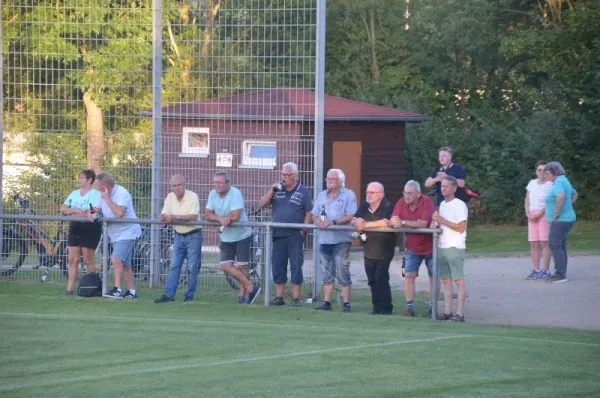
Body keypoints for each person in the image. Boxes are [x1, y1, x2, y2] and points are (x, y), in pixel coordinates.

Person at [259, 162, 312, 307]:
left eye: (287, 175)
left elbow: (309, 212)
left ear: (295, 176)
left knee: (296, 265)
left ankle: (296, 298)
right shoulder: (278, 190)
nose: (284, 178)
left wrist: (304, 230)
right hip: (278, 234)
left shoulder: (303, 191)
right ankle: (279, 297)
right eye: (283, 174)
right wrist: (271, 190)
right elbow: (262, 205)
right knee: (278, 265)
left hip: (295, 234)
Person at [206, 171, 261, 304]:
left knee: (242, 267)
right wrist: (221, 218)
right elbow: (208, 214)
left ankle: (242, 295)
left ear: (228, 183)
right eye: (215, 182)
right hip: (226, 236)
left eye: (220, 182)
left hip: (242, 235)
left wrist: (223, 219)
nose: (217, 185)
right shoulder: (212, 194)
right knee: (225, 265)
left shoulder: (235, 193)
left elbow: (235, 216)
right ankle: (251, 287)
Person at [312, 169, 357, 313]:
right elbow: (314, 214)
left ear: (340, 181)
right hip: (324, 239)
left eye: (332, 179)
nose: (329, 181)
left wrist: (333, 222)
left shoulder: (349, 195)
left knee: (342, 271)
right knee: (326, 271)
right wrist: (319, 222)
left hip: (341, 240)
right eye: (327, 178)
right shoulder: (321, 195)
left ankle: (346, 304)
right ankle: (327, 302)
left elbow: (350, 215)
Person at [390, 180, 435, 317]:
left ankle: (432, 305)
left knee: (433, 275)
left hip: (431, 246)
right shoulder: (400, 203)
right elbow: (393, 219)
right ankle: (409, 306)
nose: (406, 196)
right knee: (409, 274)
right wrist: (395, 221)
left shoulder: (426, 202)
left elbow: (423, 223)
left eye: (410, 193)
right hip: (412, 246)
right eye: (405, 193)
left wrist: (402, 222)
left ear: (418, 194)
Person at [154, 175, 202, 303]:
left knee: (192, 267)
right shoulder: (169, 197)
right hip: (178, 235)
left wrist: (174, 217)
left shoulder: (193, 196)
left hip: (193, 235)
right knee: (174, 266)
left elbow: (193, 216)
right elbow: (164, 215)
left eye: (179, 185)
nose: (176, 188)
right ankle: (169, 295)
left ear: (184, 185)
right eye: (174, 186)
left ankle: (189, 296)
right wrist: (164, 218)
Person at [94, 172, 142, 299]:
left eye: (98, 186)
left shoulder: (122, 193)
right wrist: (92, 213)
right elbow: (95, 209)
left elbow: (119, 213)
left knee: (116, 259)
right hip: (115, 234)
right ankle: (132, 292)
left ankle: (117, 289)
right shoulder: (101, 195)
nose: (97, 188)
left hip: (128, 231)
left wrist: (107, 199)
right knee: (125, 264)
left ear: (105, 185)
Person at [352, 182, 395, 315]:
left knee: (381, 278)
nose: (369, 195)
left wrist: (365, 225)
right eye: (367, 192)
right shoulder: (364, 206)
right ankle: (376, 307)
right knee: (371, 280)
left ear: (381, 194)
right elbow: (354, 219)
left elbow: (385, 222)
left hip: (384, 248)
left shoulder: (388, 205)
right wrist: (357, 222)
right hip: (368, 247)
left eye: (372, 192)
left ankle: (386, 308)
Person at [431, 176, 468, 322]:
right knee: (445, 280)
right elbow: (442, 224)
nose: (443, 188)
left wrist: (442, 221)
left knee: (458, 280)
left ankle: (460, 313)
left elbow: (461, 227)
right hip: (441, 245)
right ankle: (447, 311)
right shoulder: (442, 205)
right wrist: (436, 224)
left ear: (454, 188)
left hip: (454, 246)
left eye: (446, 186)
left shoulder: (459, 205)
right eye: (442, 186)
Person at [60, 169, 102, 295]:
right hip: (75, 226)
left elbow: (92, 211)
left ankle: (92, 288)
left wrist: (74, 211)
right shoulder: (74, 193)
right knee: (73, 259)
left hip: (90, 228)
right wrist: (77, 211)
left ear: (90, 180)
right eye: (79, 177)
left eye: (82, 177)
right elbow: (63, 208)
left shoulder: (96, 194)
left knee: (87, 260)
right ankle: (69, 289)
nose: (80, 180)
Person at [543, 161, 577, 283]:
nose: (545, 176)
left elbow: (561, 196)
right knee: (561, 246)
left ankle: (560, 275)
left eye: (546, 173)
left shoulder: (558, 182)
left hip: (560, 220)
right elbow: (574, 194)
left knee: (554, 244)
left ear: (553, 172)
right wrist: (567, 207)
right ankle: (561, 272)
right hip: (567, 218)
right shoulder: (564, 180)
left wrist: (557, 212)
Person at [524, 161, 553, 280]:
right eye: (539, 170)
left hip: (544, 215)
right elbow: (527, 199)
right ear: (536, 171)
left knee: (544, 242)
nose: (541, 172)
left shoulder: (551, 184)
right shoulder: (532, 183)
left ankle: (545, 270)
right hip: (532, 215)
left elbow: (550, 201)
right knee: (534, 243)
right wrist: (528, 213)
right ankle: (536, 269)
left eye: (544, 170)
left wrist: (540, 213)